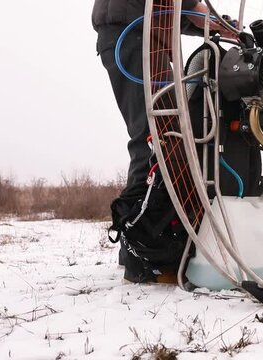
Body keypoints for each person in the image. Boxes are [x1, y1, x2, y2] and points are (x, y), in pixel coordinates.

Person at [92, 0, 235, 283]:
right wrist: (212, 18)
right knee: (153, 138)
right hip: (131, 36)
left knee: (162, 136)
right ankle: (139, 255)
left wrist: (214, 23)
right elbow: (190, 9)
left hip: (139, 35)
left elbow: (174, 11)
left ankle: (139, 250)